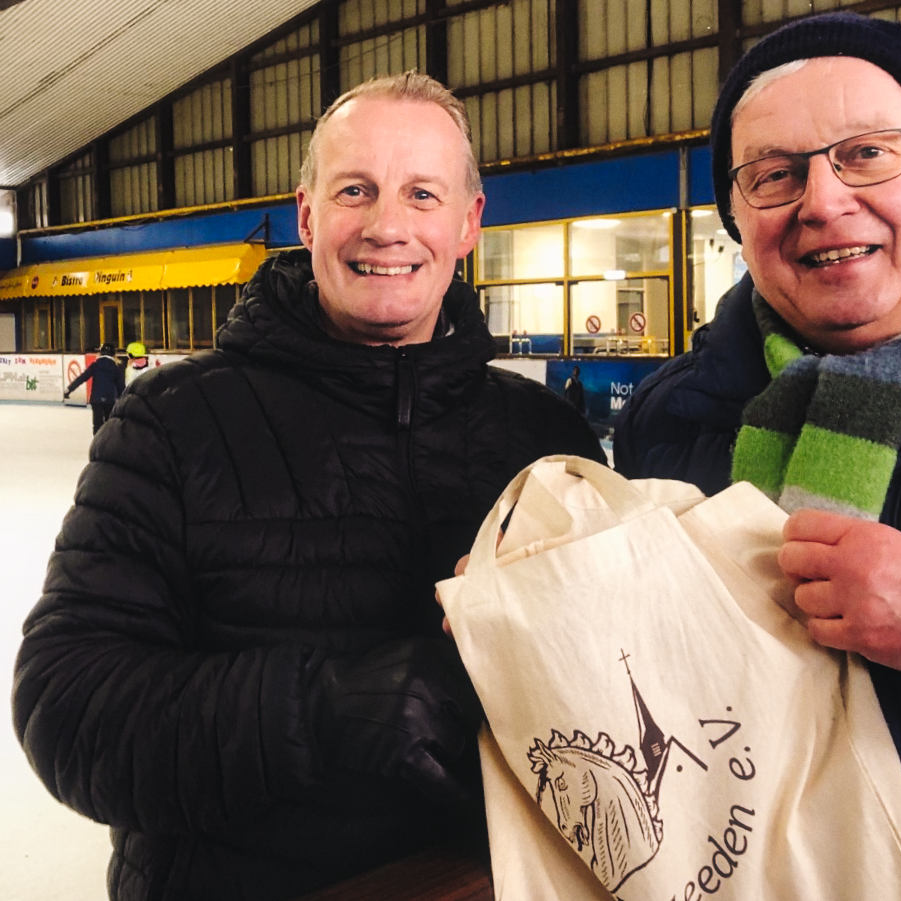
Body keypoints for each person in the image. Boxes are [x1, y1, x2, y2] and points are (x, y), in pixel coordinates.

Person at [14, 72, 603, 901]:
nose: (387, 225)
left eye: (422, 193)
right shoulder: (173, 423)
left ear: (468, 222)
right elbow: (68, 708)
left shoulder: (544, 437)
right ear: (306, 215)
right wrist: (317, 709)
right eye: (354, 190)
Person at [614, 13, 901, 900]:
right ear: (738, 220)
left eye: (865, 153)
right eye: (774, 175)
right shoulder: (673, 419)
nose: (822, 201)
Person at [64, 341, 126, 433]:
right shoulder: (116, 368)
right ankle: (108, 440)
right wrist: (124, 400)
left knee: (97, 424)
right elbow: (121, 386)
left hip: (96, 399)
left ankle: (97, 440)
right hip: (109, 400)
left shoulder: (95, 365)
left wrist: (69, 389)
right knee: (109, 424)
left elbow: (82, 378)